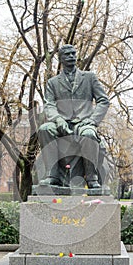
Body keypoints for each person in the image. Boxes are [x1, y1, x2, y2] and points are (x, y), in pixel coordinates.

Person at [38, 44, 110, 188]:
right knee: (45, 129)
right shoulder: (53, 82)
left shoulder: (89, 77)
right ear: (60, 59)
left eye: (73, 54)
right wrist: (58, 119)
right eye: (67, 54)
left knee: (89, 134)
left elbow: (103, 100)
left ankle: (91, 178)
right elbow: (49, 105)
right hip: (61, 122)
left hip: (84, 123)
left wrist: (92, 121)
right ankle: (53, 176)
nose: (71, 56)